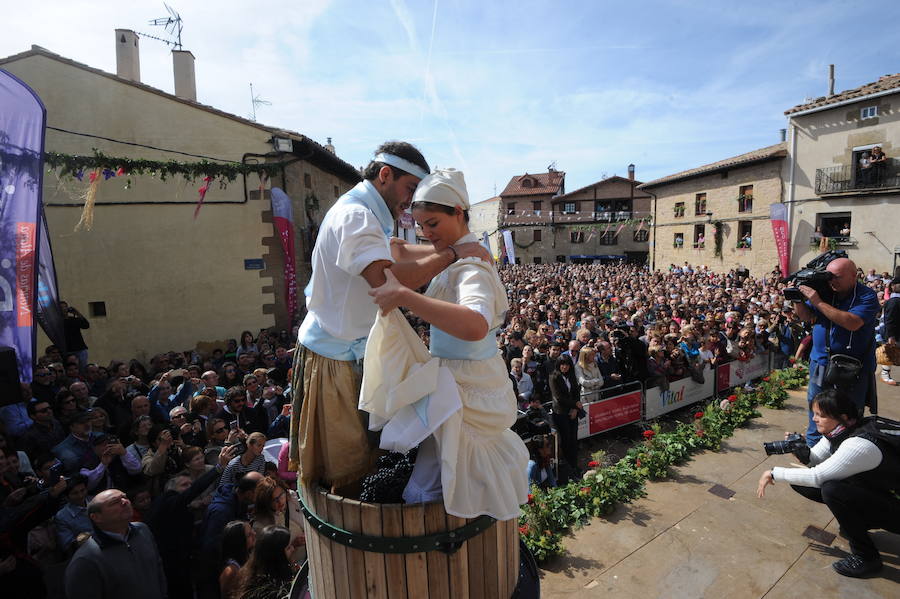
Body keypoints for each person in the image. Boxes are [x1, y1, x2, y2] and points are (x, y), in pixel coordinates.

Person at [292, 142, 489, 491]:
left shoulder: (366, 211)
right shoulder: (356, 217)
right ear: (385, 175)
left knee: (366, 459)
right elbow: (388, 284)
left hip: (348, 351)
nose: (410, 204)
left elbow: (396, 251)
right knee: (346, 470)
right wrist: (455, 252)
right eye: (410, 189)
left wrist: (451, 246)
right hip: (334, 358)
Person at [364, 167, 528, 520]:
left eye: (432, 224)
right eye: (420, 225)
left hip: (466, 390)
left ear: (458, 212)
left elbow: (474, 325)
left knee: (446, 477)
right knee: (444, 472)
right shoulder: (457, 254)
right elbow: (397, 248)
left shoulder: (472, 269)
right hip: (452, 382)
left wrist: (405, 296)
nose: (425, 234)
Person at [757, 390, 900, 578]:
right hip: (886, 492)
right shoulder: (842, 428)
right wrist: (802, 452)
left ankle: (867, 558)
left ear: (842, 417)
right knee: (803, 482)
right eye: (814, 413)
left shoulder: (859, 444)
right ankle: (861, 521)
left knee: (832, 490)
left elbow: (818, 476)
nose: (815, 419)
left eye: (821, 415)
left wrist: (773, 473)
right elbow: (816, 460)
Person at [792, 257, 879, 446]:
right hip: (821, 363)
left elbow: (852, 322)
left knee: (849, 413)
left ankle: (847, 451)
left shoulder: (867, 296)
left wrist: (817, 301)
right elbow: (807, 317)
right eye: (829, 276)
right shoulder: (826, 291)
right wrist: (798, 300)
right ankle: (814, 450)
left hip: (852, 368)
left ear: (854, 276)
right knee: (817, 408)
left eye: (837, 277)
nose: (832, 281)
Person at [65, 488, 168, 599]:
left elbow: (158, 571)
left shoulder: (143, 530)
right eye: (115, 502)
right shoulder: (86, 560)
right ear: (96, 517)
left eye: (125, 497)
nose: (125, 502)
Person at [235, 525, 296, 599]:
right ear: (277, 556)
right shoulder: (268, 592)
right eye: (288, 548)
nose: (293, 549)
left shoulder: (260, 574)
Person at [549, 355, 582, 479]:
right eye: (562, 364)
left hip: (573, 412)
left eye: (567, 364)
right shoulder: (554, 377)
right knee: (566, 441)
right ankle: (568, 470)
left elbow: (576, 392)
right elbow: (558, 397)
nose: (564, 367)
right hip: (561, 413)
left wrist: (575, 409)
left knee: (574, 440)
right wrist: (574, 404)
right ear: (558, 365)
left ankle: (574, 466)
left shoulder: (572, 376)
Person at [53, 474, 91, 556]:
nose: (80, 496)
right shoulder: (62, 517)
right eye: (75, 493)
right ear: (67, 497)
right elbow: (67, 546)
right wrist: (79, 541)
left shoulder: (96, 501)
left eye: (82, 490)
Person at [219, 521, 256, 599]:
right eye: (249, 535)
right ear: (239, 542)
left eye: (252, 530)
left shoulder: (249, 556)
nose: (254, 533)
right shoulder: (231, 571)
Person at [879, 280, 900, 386]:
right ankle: (885, 375)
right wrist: (891, 336)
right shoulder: (894, 301)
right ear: (893, 286)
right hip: (894, 332)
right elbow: (889, 319)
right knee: (889, 353)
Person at [60, 301, 90, 370]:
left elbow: (86, 325)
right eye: (61, 307)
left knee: (83, 369)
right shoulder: (57, 322)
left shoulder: (73, 319)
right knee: (69, 369)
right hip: (67, 350)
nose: (63, 309)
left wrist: (77, 313)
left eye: (65, 307)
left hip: (80, 348)